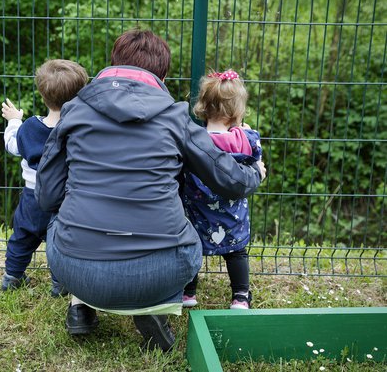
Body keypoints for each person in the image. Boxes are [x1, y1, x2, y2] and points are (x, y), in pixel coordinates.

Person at [35, 29, 266, 352]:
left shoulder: (74, 111)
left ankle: (80, 303)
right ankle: (152, 307)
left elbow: (46, 196)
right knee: (184, 233)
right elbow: (231, 180)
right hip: (158, 272)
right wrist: (254, 171)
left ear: (112, 63)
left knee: (63, 219)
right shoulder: (174, 118)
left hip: (75, 266)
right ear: (164, 74)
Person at [0, 59, 89, 297]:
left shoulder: (29, 128)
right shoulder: (76, 130)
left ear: (42, 96)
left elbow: (12, 144)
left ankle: (12, 276)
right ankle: (60, 284)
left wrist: (14, 121)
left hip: (31, 197)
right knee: (60, 244)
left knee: (22, 237)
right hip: (63, 198)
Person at [181, 69, 262, 310]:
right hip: (231, 214)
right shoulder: (246, 139)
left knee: (192, 248)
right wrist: (244, 131)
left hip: (198, 212)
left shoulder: (195, 140)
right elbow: (256, 161)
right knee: (236, 252)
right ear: (238, 110)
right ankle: (240, 296)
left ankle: (188, 293)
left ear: (203, 106)